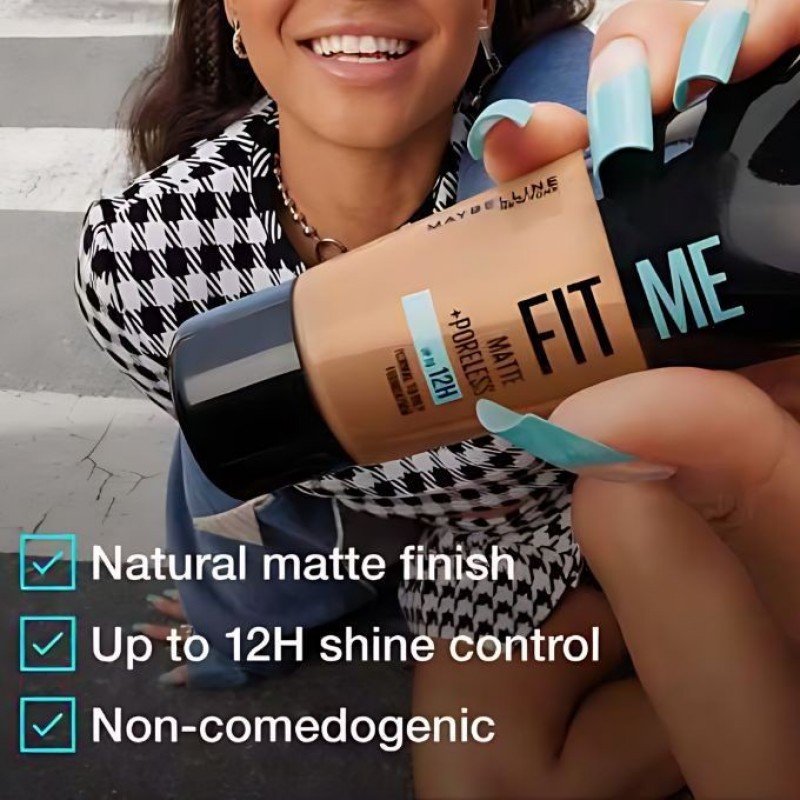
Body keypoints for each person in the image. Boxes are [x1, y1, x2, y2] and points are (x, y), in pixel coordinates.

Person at [74, 0, 800, 796]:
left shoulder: (570, 140)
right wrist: (241, 612)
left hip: (657, 491)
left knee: (629, 504)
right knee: (482, 785)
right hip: (504, 539)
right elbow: (246, 474)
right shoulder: (155, 263)